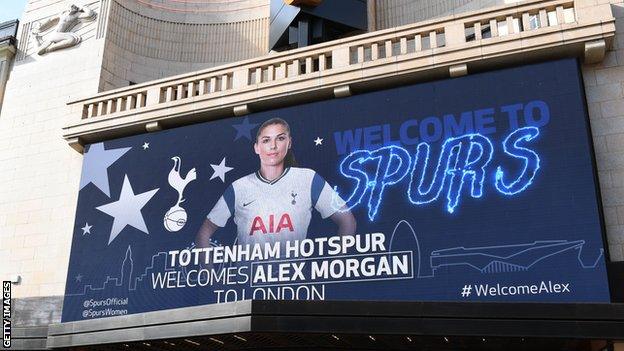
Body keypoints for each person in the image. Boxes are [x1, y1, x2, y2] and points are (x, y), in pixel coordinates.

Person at [196, 117, 356, 250]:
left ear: (289, 143)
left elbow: (347, 221)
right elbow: (203, 234)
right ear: (257, 147)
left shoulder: (307, 178)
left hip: (294, 283)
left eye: (280, 138)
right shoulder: (239, 187)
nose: (273, 146)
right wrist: (212, 280)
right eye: (266, 140)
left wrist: (333, 265)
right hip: (247, 285)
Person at [31, 4, 97, 55]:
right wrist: (40, 27)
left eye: (74, 7)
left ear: (76, 9)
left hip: (60, 34)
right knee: (39, 51)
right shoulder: (62, 14)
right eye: (71, 6)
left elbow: (89, 14)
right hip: (55, 34)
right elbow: (51, 20)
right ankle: (35, 38)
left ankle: (50, 48)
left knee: (72, 39)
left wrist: (83, 7)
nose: (72, 7)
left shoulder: (76, 16)